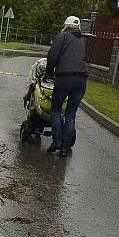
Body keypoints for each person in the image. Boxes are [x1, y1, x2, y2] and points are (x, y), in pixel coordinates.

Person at [45, 16, 88, 156]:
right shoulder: (82, 39)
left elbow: (52, 56)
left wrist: (49, 73)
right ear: (78, 27)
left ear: (65, 25)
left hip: (64, 77)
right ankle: (65, 148)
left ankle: (56, 140)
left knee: (56, 109)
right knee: (70, 114)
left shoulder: (62, 36)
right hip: (81, 79)